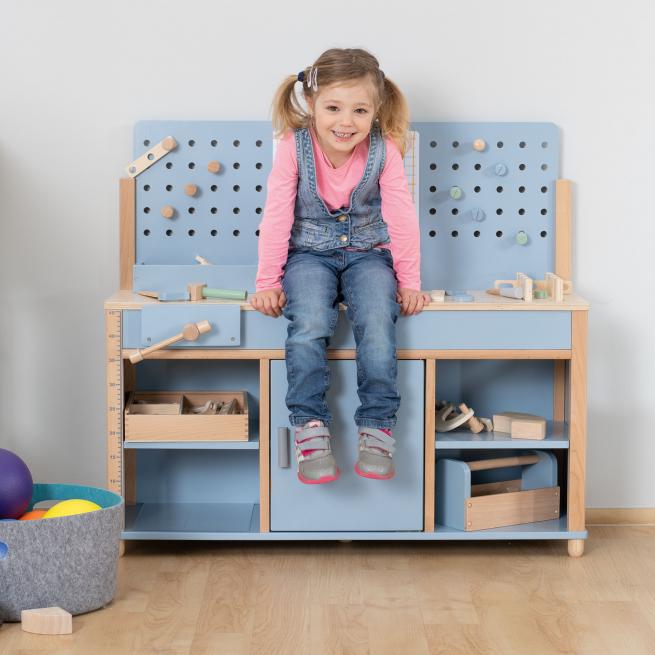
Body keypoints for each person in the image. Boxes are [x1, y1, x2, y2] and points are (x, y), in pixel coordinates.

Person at [250, 47, 429, 484]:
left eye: (360, 110)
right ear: (312, 103)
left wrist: (409, 281)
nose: (345, 122)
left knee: (378, 321)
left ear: (376, 110)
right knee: (309, 322)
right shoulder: (292, 148)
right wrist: (268, 281)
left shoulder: (385, 150)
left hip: (368, 254)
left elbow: (402, 216)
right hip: (308, 255)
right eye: (333, 108)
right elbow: (277, 214)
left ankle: (377, 426)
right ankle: (309, 426)